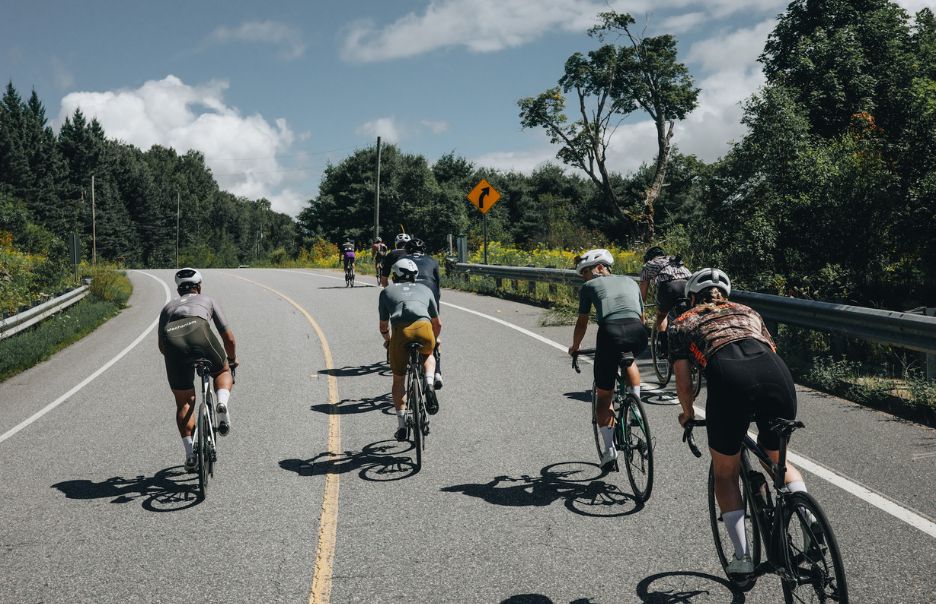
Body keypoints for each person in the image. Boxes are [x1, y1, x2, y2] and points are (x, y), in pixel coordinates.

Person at [669, 268, 807, 577]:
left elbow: (682, 378)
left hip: (730, 380)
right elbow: (770, 348)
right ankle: (811, 525)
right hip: (777, 375)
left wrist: (687, 412)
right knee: (776, 457)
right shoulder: (748, 311)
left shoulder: (682, 323)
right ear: (726, 295)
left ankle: (743, 557)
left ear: (692, 298)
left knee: (725, 473)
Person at [567, 249, 646, 471]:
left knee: (604, 396)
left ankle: (609, 450)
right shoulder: (631, 281)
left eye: (586, 272)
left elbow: (582, 322)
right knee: (629, 360)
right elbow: (641, 316)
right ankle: (636, 404)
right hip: (638, 332)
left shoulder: (588, 287)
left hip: (610, 333)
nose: (584, 277)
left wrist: (575, 347)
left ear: (600, 268)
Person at [158, 268, 238, 472]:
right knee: (221, 372)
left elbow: (162, 347)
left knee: (184, 402)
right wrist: (231, 361)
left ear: (178, 290)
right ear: (199, 287)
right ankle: (221, 403)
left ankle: (190, 455)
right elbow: (228, 338)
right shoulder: (208, 300)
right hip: (199, 332)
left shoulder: (168, 307)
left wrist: (181, 359)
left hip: (173, 343)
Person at [378, 258, 442, 442]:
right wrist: (435, 339)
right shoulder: (425, 289)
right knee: (428, 354)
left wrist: (388, 341)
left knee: (399, 380)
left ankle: (402, 425)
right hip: (424, 328)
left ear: (395, 276)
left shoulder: (387, 292)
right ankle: (429, 384)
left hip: (401, 332)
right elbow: (437, 323)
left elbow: (383, 325)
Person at [404, 237, 444, 389]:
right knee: (435, 335)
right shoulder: (432, 261)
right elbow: (438, 288)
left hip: (410, 298)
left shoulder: (403, 260)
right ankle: (437, 371)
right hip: (431, 296)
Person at [639, 246, 691, 356]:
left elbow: (642, 295)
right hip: (688, 285)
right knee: (690, 315)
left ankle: (664, 348)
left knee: (662, 315)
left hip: (669, 287)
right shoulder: (674, 260)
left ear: (648, 257)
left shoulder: (649, 264)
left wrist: (642, 307)